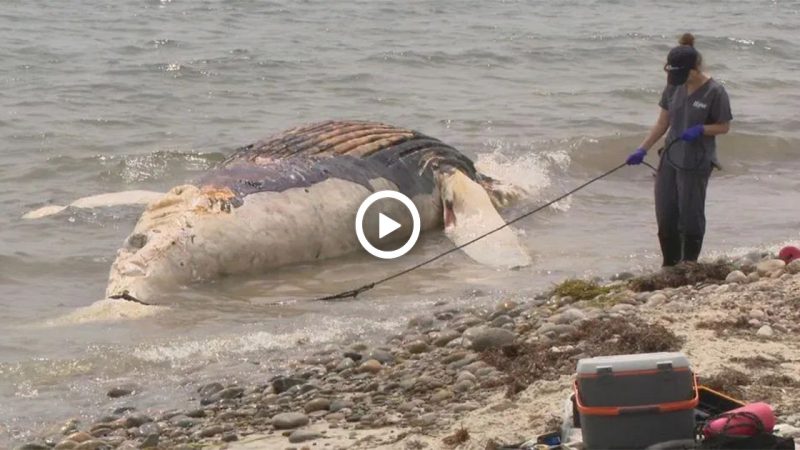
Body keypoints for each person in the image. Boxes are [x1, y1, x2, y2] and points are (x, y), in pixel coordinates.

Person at [626, 33, 732, 267]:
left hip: (696, 161)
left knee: (690, 214)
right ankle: (669, 265)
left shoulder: (715, 92)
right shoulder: (674, 86)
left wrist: (702, 129)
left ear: (695, 69)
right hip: (670, 158)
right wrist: (641, 149)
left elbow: (724, 127)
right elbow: (663, 123)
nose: (678, 79)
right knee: (666, 213)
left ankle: (688, 264)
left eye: (682, 75)